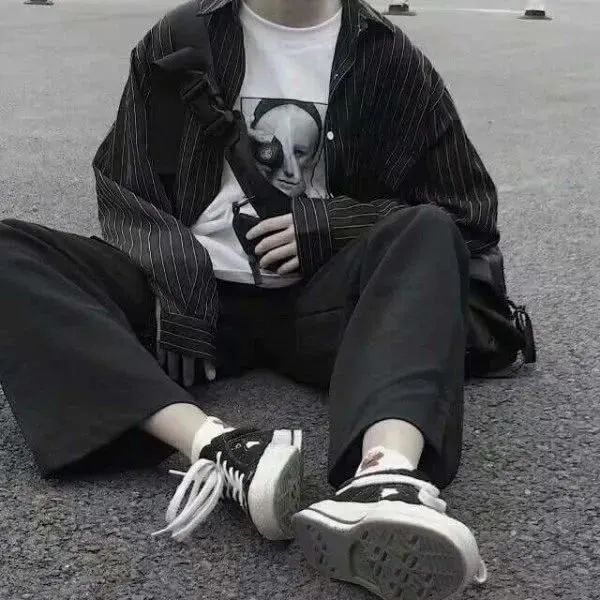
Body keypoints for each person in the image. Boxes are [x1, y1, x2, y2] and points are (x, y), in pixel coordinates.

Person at [0, 0, 535, 598]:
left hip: (324, 306)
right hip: (188, 305)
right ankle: (219, 448)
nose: (290, 167)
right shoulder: (180, 39)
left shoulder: (386, 57)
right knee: (9, 251)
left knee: (428, 229)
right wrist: (181, 285)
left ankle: (386, 480)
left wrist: (332, 224)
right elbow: (127, 187)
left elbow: (467, 213)